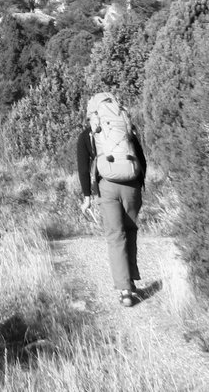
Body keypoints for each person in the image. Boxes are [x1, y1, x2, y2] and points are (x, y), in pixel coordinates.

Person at [77, 92, 147, 307]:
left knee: (116, 237)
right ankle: (132, 280)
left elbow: (82, 167)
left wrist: (87, 196)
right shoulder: (126, 128)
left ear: (92, 112)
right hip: (132, 186)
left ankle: (125, 290)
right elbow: (142, 159)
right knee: (131, 232)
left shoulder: (89, 134)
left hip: (107, 187)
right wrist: (139, 185)